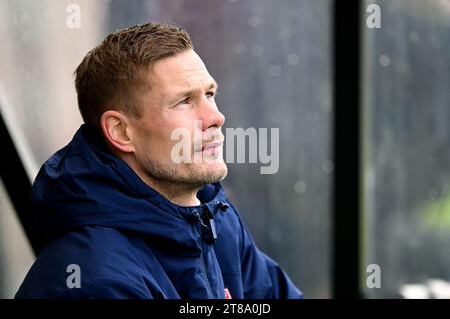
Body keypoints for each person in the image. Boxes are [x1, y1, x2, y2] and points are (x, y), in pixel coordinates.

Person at [15, 22, 303, 299]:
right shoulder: (93, 281)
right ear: (121, 132)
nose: (216, 118)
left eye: (210, 94)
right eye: (184, 101)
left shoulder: (218, 225)